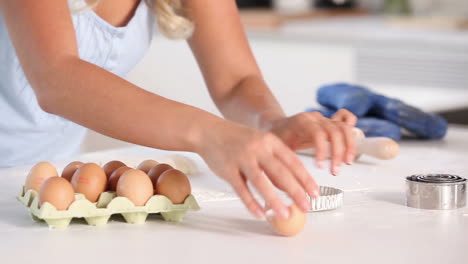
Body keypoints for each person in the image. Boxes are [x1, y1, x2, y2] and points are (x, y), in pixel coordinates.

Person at [0, 0, 357, 220]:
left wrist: (271, 124)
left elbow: (235, 80)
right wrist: (210, 134)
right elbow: (56, 78)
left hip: (47, 186)